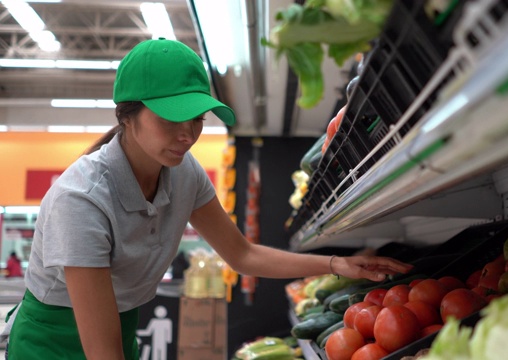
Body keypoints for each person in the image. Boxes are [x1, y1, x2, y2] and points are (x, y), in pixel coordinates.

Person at [0, 38, 412, 360]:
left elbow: (243, 254)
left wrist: (337, 264)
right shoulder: (82, 200)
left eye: (197, 118)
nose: (188, 134)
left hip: (120, 325)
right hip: (52, 336)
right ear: (126, 116)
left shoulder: (183, 171)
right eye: (170, 119)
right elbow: (100, 350)